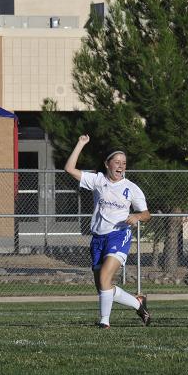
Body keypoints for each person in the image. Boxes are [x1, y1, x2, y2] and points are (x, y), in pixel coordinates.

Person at [64, 134, 151, 329]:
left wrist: (137, 217)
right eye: (117, 162)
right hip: (97, 238)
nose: (121, 166)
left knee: (105, 278)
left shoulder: (131, 188)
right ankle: (138, 303)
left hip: (119, 235)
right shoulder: (97, 180)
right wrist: (80, 144)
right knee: (103, 287)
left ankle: (104, 321)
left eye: (124, 163)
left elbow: (146, 213)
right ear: (107, 164)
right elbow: (69, 169)